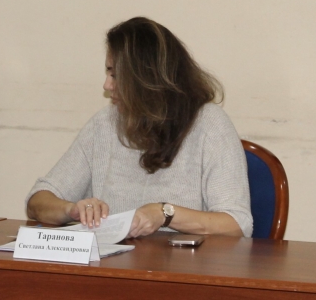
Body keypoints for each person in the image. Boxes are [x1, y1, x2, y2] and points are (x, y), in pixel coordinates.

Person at [25, 17, 252, 238]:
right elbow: (38, 200)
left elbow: (237, 224)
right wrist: (72, 210)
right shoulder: (104, 124)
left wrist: (164, 214)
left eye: (116, 75)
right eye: (108, 74)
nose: (107, 85)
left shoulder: (210, 124)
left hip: (183, 262)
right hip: (115, 259)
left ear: (145, 79)